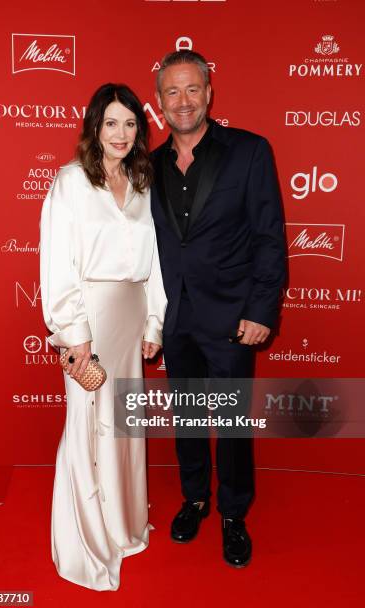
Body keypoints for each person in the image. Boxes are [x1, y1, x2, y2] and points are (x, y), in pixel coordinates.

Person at [151, 50, 286, 568]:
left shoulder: (249, 152)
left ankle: (233, 513)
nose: (183, 101)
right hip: (176, 316)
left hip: (233, 315)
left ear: (209, 93)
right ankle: (194, 499)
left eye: (192, 89)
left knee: (230, 422)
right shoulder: (152, 164)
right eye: (172, 92)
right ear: (159, 102)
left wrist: (261, 309)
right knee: (186, 416)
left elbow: (269, 237)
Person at [40, 83, 167, 591]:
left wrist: (155, 321)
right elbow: (57, 265)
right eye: (111, 123)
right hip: (89, 320)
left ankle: (124, 525)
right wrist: (76, 337)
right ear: (95, 126)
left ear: (140, 130)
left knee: (124, 424)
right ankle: (88, 539)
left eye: (130, 123)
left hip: (132, 315)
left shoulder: (142, 183)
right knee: (88, 426)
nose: (121, 133)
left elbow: (156, 261)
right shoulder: (70, 183)